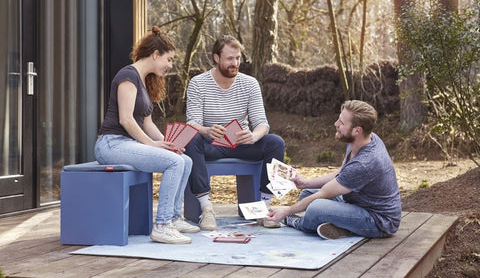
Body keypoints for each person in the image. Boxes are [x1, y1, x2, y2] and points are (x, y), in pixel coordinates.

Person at [94, 26, 199, 244]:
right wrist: (153, 145)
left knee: (184, 160)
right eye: (168, 60)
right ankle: (161, 226)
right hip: (111, 144)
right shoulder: (127, 76)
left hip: (127, 143)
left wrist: (168, 144)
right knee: (174, 163)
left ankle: (173, 218)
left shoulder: (143, 80)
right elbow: (126, 120)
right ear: (155, 55)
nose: (170, 66)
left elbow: (147, 122)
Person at [185, 35, 285, 230]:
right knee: (191, 138)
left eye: (238, 58)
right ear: (216, 58)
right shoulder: (198, 83)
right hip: (212, 144)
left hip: (243, 144)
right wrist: (207, 130)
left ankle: (264, 210)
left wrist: (254, 136)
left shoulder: (250, 83)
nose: (235, 63)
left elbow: (262, 123)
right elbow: (192, 123)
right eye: (230, 58)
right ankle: (207, 210)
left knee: (276, 143)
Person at [267, 100, 402, 239]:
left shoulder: (365, 163)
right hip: (356, 202)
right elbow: (344, 173)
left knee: (316, 208)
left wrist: (286, 212)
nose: (336, 124)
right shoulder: (364, 139)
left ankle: (298, 223)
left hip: (379, 221)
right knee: (306, 193)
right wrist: (306, 183)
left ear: (357, 130)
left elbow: (324, 193)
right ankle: (343, 227)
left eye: (342, 123)